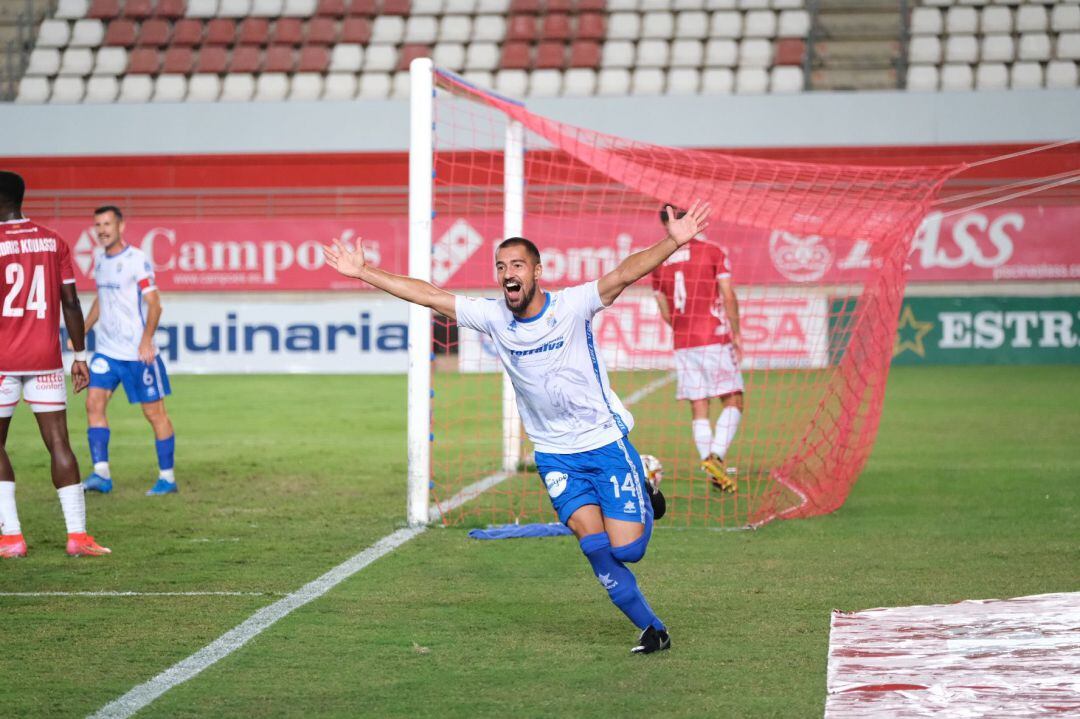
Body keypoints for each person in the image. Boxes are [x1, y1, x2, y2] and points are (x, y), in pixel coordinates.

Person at [324, 200, 712, 654]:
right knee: (594, 549)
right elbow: (429, 295)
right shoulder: (493, 317)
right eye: (500, 265)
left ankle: (643, 486)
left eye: (518, 264)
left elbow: (624, 274)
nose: (508, 272)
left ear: (537, 271)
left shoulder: (571, 306)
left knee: (628, 550)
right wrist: (365, 272)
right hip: (553, 454)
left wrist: (672, 241)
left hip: (604, 442)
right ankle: (653, 629)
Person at [0, 171, 110, 557]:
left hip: (1, 362)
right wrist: (80, 356)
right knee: (59, 443)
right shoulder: (53, 240)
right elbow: (71, 302)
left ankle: (12, 538)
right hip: (45, 360)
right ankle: (77, 536)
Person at [79, 206, 177, 496]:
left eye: (107, 224)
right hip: (107, 352)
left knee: (154, 414)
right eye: (98, 225)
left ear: (120, 226)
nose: (102, 230)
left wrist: (146, 340)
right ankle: (101, 474)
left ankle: (167, 478)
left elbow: (155, 303)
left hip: (136, 354)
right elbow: (101, 299)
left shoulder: (136, 259)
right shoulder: (99, 261)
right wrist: (82, 330)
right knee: (93, 404)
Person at [650, 207, 744, 493]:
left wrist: (681, 328)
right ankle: (715, 456)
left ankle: (710, 464)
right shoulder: (712, 251)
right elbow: (727, 294)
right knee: (733, 400)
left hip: (683, 340)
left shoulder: (659, 261)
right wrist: (736, 333)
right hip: (713, 336)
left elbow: (664, 308)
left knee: (699, 405)